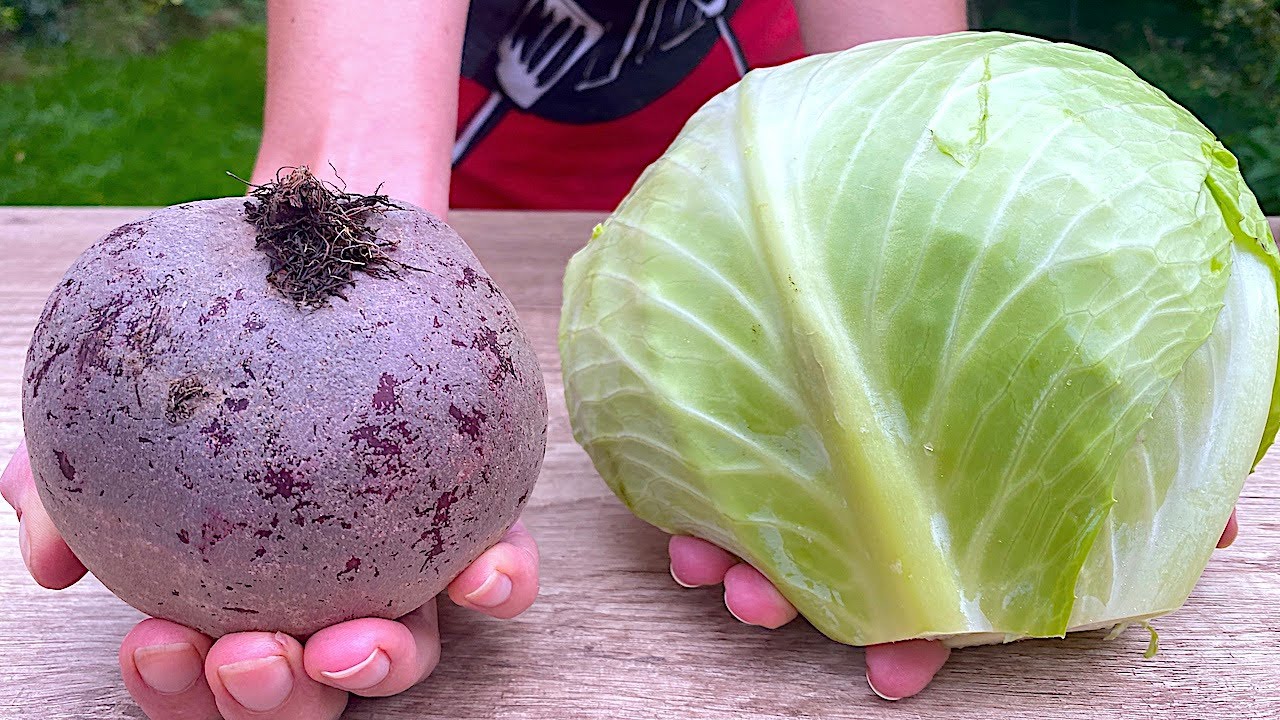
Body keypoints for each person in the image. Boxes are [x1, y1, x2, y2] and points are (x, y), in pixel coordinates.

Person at [0, 1, 1243, 718]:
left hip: (736, 235)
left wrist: (1079, 376)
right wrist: (327, 230)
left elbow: (910, 112)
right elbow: (344, 186)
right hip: (472, 216)